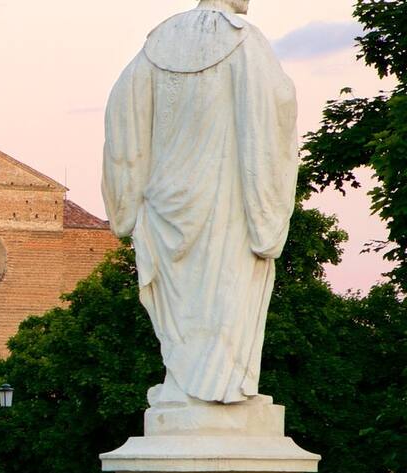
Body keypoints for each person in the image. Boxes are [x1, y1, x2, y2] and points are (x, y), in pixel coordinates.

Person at [104, 0, 297, 406]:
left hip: (165, 203)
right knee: (226, 293)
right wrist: (266, 211)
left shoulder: (157, 45)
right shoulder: (245, 42)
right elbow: (270, 114)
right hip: (226, 199)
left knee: (184, 305)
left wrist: (129, 196)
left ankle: (183, 385)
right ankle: (222, 389)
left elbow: (123, 118)